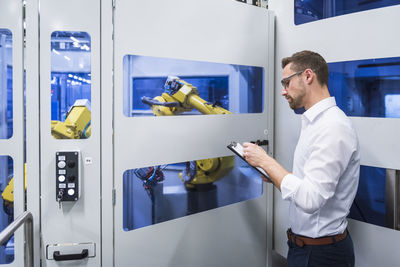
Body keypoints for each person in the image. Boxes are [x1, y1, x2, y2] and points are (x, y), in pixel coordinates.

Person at [243, 50, 360, 267]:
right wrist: (276, 176)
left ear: (308, 76)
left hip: (321, 255)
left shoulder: (333, 127)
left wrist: (265, 161)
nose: (283, 91)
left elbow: (311, 199)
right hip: (305, 249)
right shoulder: (315, 123)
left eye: (286, 82)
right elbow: (310, 186)